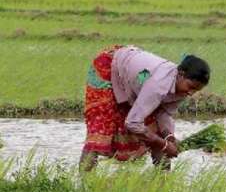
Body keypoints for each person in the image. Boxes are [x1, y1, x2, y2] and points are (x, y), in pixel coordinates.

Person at [79, 45, 210, 172]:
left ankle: (163, 181)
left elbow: (163, 113)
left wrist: (169, 137)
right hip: (109, 67)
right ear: (181, 74)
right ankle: (85, 185)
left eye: (196, 90)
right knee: (100, 131)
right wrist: (163, 145)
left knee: (156, 130)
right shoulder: (158, 85)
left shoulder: (181, 88)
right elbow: (133, 123)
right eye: (191, 87)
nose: (191, 93)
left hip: (133, 80)